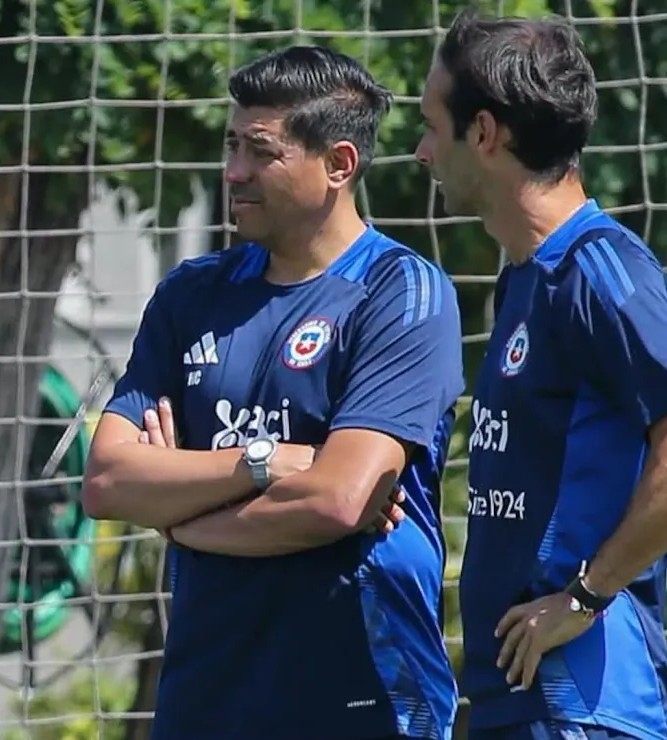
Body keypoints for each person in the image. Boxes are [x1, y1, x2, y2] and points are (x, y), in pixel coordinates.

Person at [82, 45, 464, 740]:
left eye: (261, 152)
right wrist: (261, 463)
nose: (234, 172)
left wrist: (184, 518)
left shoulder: (401, 292)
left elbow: (339, 499)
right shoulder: (190, 294)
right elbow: (107, 481)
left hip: (360, 696)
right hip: (208, 697)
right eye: (232, 145)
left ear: (340, 165)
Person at [417, 9, 667, 740]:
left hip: (587, 700)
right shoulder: (528, 279)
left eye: (434, 126)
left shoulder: (602, 270)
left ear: (486, 133)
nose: (424, 153)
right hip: (523, 695)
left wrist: (586, 596)